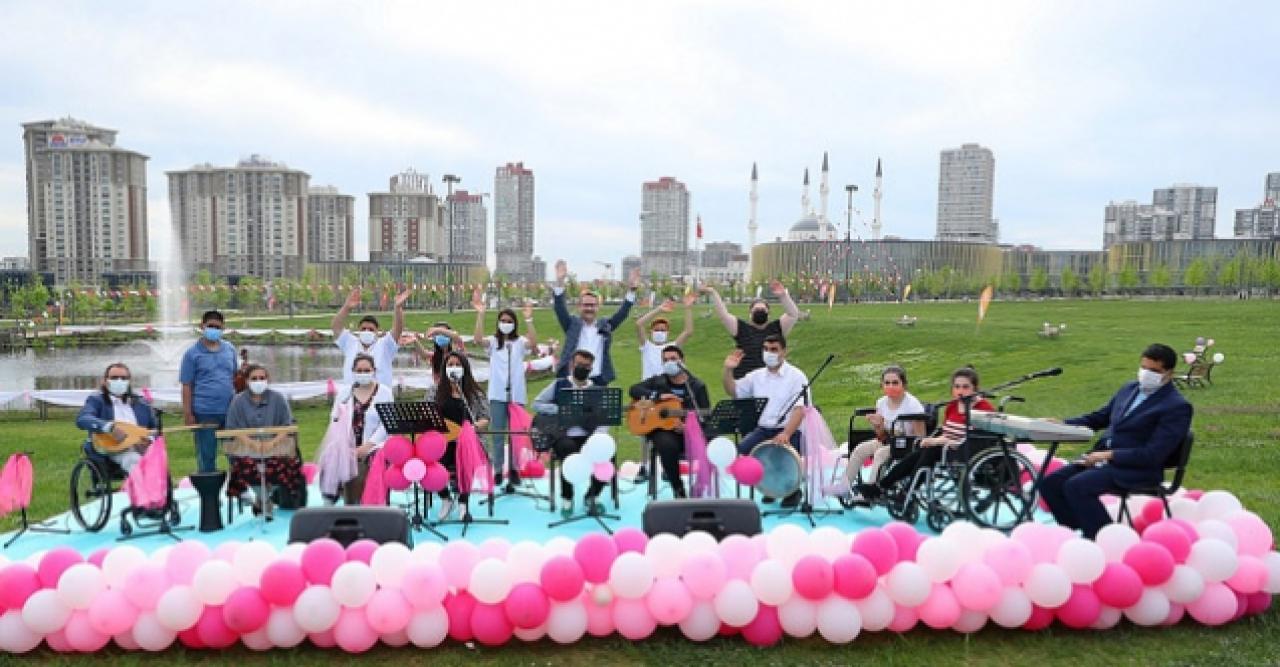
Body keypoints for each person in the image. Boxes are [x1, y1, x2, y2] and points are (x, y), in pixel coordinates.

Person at [1039, 344, 1193, 539]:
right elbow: (1099, 418)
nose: (1147, 374)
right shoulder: (1130, 388)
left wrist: (1109, 455)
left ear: (1169, 373)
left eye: (1154, 371)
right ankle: (1079, 533)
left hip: (1138, 469)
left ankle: (1107, 540)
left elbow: (1153, 454)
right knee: (1050, 483)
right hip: (1104, 460)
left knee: (1077, 486)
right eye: (1144, 368)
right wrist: (1063, 424)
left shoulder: (1176, 406)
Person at [853, 367, 994, 505]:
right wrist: (934, 440)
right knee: (918, 454)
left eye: (965, 387)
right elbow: (946, 432)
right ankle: (883, 487)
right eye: (957, 387)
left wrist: (937, 441)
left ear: (975, 388)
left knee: (928, 451)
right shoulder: (952, 406)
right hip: (945, 448)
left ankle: (903, 490)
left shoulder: (983, 408)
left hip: (964, 449)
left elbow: (974, 437)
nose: (960, 391)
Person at [722, 333, 809, 507]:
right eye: (766, 349)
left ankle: (793, 490)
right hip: (763, 429)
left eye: (774, 349)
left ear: (784, 352)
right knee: (741, 451)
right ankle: (769, 485)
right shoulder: (756, 376)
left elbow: (800, 409)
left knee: (785, 457)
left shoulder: (797, 376)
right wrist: (728, 370)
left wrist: (786, 433)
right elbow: (733, 391)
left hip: (789, 430)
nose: (769, 353)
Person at [472, 290, 538, 489]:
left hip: (516, 394)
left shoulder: (519, 342)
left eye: (509, 321)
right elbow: (477, 339)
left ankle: (515, 469)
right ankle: (499, 469)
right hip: (497, 394)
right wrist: (480, 314)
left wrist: (529, 319)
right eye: (503, 320)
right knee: (498, 434)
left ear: (514, 323)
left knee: (516, 435)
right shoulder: (494, 342)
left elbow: (533, 344)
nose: (506, 323)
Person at [628, 345, 710, 499]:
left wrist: (688, 427)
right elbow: (633, 390)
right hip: (664, 431)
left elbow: (705, 415)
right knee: (666, 445)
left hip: (689, 431)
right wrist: (657, 396)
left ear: (682, 360)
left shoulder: (696, 386)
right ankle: (678, 489)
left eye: (673, 359)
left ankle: (703, 486)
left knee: (714, 440)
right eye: (665, 360)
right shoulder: (658, 381)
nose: (669, 363)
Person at [534, 350, 608, 517]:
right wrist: (559, 409)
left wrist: (599, 437)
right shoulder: (559, 384)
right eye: (579, 364)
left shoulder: (597, 390)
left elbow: (604, 418)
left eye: (586, 366)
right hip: (564, 435)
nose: (582, 368)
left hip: (589, 435)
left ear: (591, 368)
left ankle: (592, 496)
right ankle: (567, 497)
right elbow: (537, 404)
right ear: (571, 365)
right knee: (568, 451)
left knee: (606, 456)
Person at [223, 363, 304, 515]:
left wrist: (272, 443)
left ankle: (264, 498)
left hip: (275, 446)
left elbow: (288, 426)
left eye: (262, 378)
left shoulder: (278, 398)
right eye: (254, 378)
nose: (258, 381)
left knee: (287, 464)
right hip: (246, 447)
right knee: (244, 465)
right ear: (247, 381)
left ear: (268, 379)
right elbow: (232, 429)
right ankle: (265, 500)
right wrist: (252, 443)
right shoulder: (237, 401)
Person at [424, 351, 491, 520]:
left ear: (465, 368)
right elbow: (426, 415)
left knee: (467, 458)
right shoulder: (435, 391)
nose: (454, 368)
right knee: (430, 463)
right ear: (444, 369)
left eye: (457, 365)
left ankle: (463, 502)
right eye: (450, 365)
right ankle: (445, 498)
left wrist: (475, 426)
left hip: (467, 440)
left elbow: (485, 417)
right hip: (442, 440)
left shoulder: (474, 393)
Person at [839, 366, 927, 494]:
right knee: (859, 449)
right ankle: (843, 487)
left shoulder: (913, 405)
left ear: (904, 385)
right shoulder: (881, 403)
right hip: (887, 440)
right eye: (887, 383)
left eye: (895, 383)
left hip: (906, 444)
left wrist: (894, 431)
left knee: (880, 453)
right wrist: (878, 425)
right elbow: (881, 436)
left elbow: (920, 436)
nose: (891, 386)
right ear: (882, 385)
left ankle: (870, 491)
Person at [551, 260, 639, 386]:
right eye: (586, 305)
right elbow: (559, 308)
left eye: (593, 305)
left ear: (598, 307)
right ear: (579, 307)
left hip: (597, 380)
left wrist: (632, 291)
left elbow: (622, 314)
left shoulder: (605, 326)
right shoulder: (572, 324)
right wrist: (560, 281)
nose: (589, 308)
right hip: (572, 379)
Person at [326, 353, 395, 505]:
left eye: (366, 370)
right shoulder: (345, 393)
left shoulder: (385, 392)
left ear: (374, 370)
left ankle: (372, 505)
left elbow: (386, 425)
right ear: (353, 371)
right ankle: (344, 502)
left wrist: (367, 447)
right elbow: (334, 419)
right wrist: (343, 445)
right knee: (333, 463)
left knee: (364, 470)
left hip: (375, 448)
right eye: (359, 370)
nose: (363, 374)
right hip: (348, 447)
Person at [703, 280, 801, 380]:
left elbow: (793, 314)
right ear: (750, 313)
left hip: (770, 380)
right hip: (744, 379)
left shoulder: (777, 328)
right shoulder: (741, 328)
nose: (760, 312)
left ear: (769, 313)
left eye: (763, 310)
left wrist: (783, 296)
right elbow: (723, 315)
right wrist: (713, 292)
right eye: (756, 310)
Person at [180, 310, 238, 473]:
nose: (214, 329)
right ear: (202, 326)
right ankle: (208, 487)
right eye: (210, 326)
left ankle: (239, 485)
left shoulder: (230, 349)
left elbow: (236, 377)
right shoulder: (192, 354)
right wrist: (188, 413)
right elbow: (187, 385)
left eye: (217, 327)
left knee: (236, 454)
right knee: (207, 456)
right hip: (204, 412)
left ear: (223, 328)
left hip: (230, 411)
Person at [76, 362, 155, 473]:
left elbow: (154, 429)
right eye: (114, 378)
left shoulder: (141, 403)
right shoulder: (97, 400)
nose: (119, 381)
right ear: (105, 380)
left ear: (129, 381)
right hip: (111, 448)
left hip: (140, 448)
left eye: (123, 378)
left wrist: (149, 440)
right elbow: (83, 419)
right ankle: (142, 483)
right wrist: (109, 427)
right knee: (133, 459)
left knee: (158, 459)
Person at [332, 286, 410, 387]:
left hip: (380, 395)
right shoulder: (350, 343)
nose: (366, 331)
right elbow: (336, 327)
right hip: (352, 394)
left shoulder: (384, 345)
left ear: (377, 331)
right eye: (363, 329)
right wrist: (346, 307)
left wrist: (397, 308)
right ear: (358, 330)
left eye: (371, 329)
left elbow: (398, 329)